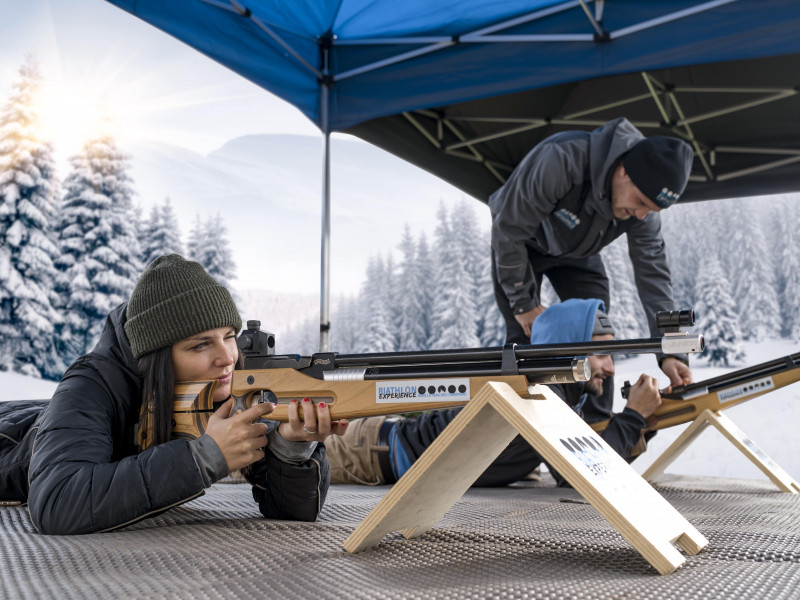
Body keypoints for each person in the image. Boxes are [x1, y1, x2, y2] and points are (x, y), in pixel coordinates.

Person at [0, 254, 347, 534]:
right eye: (200, 345)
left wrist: (290, 450)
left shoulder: (228, 382)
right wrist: (202, 458)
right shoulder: (91, 385)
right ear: (158, 356)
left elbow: (292, 513)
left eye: (229, 336)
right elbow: (58, 501)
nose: (227, 357)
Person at [325, 298, 661, 488]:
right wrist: (634, 417)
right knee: (294, 460)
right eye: (601, 355)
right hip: (369, 452)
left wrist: (643, 423)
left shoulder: (558, 395)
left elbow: (583, 467)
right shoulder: (539, 394)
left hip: (383, 446)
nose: (610, 368)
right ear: (567, 350)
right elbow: (582, 474)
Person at [489, 117, 694, 393]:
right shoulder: (562, 160)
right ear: (624, 171)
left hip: (579, 251)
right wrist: (523, 303)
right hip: (520, 245)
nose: (641, 215)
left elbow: (653, 274)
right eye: (640, 202)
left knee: (599, 336)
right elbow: (509, 229)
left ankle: (597, 416)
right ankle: (521, 411)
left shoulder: (643, 212)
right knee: (524, 339)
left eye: (651, 210)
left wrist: (671, 350)